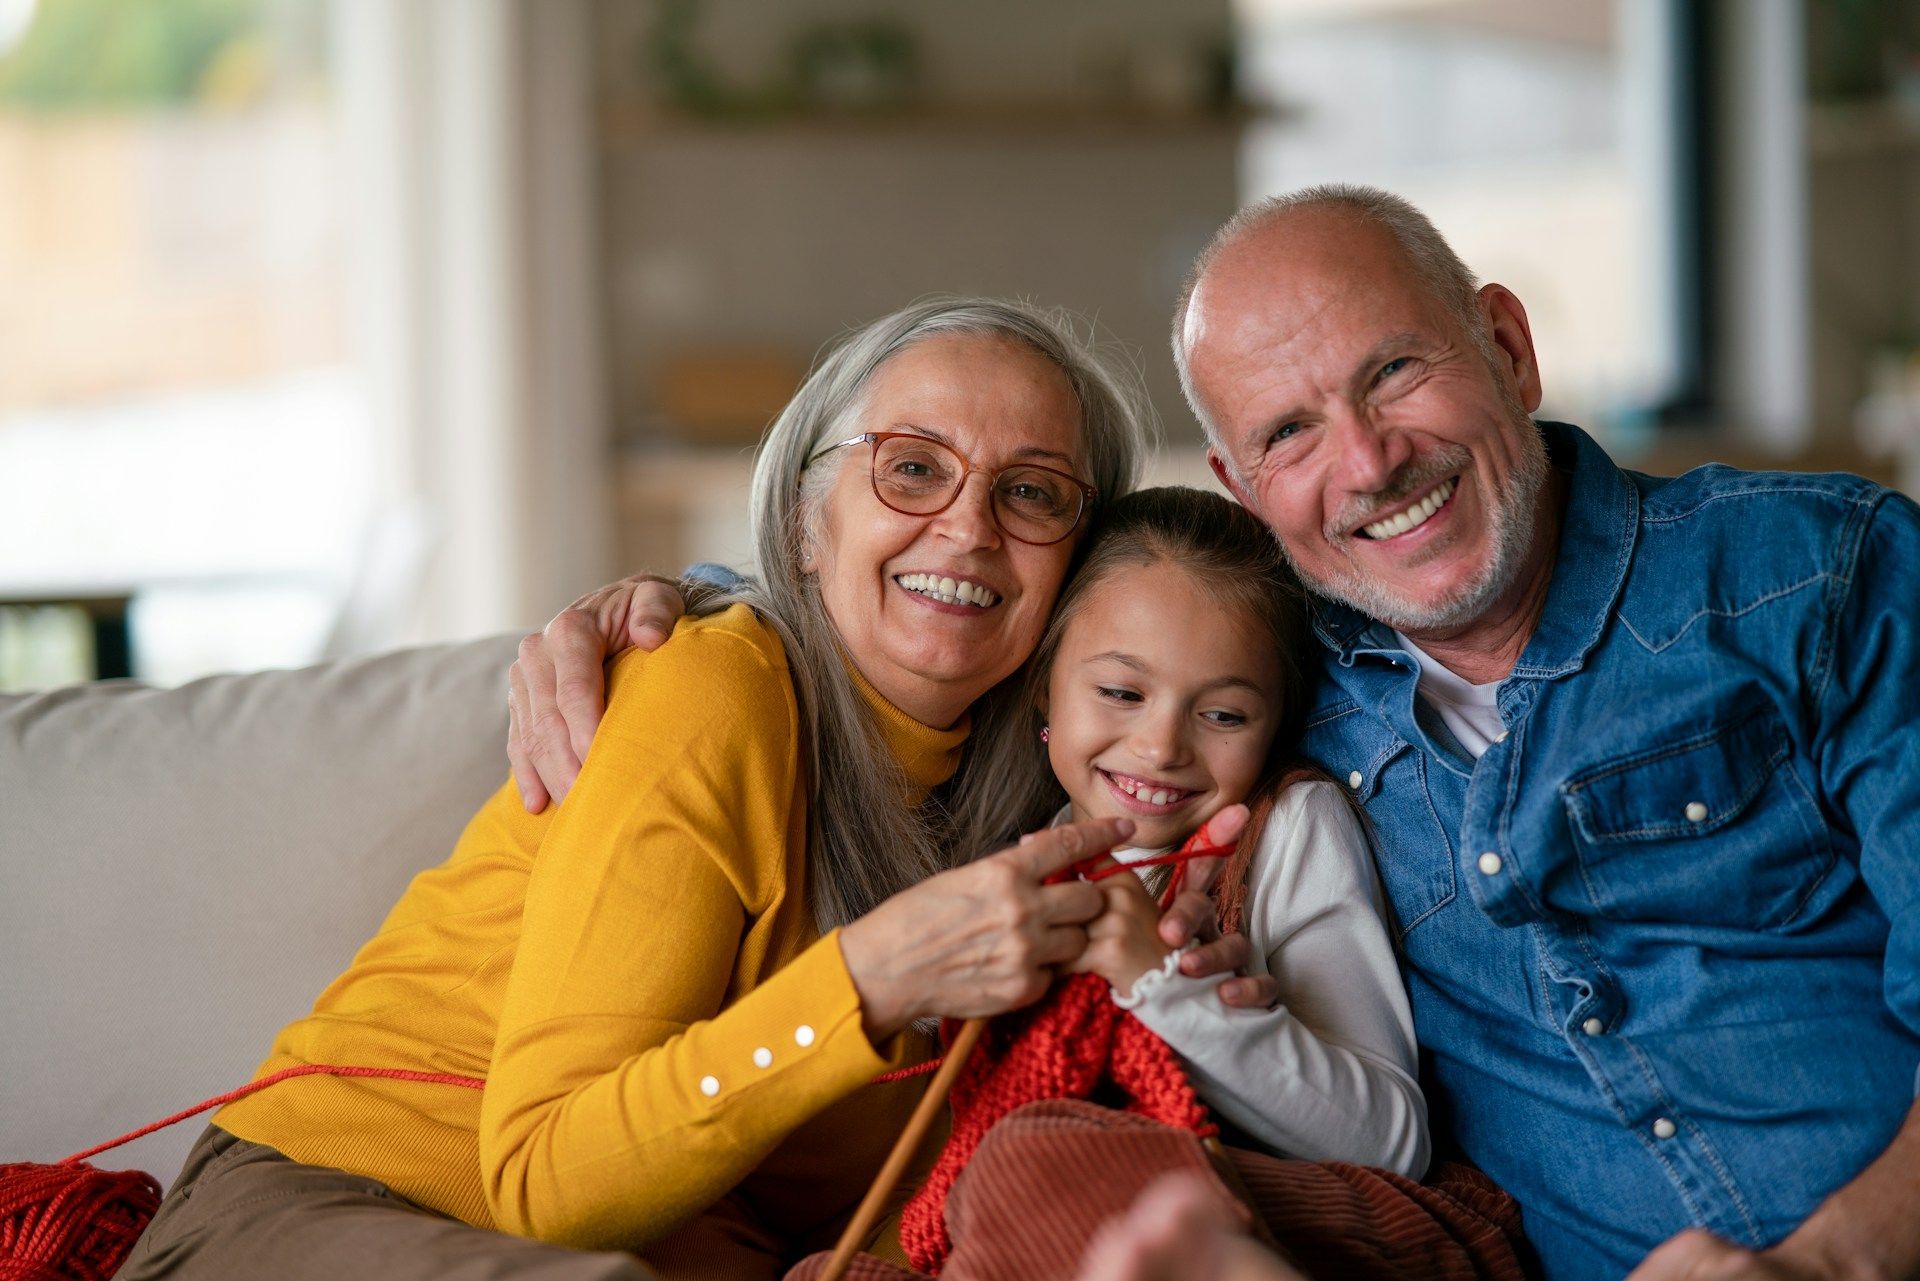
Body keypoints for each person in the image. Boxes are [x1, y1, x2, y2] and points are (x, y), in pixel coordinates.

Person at [515, 187, 1920, 1281]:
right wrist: (698, 610)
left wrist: (1836, 1253)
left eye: (1396, 373)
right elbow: (1008, 621)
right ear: (1247, 495)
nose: (1368, 464)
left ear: (1505, 343)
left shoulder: (1812, 575)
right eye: (1293, 433)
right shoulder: (1276, 661)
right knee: (1024, 1176)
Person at [117, 296, 1197, 1281]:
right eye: (912, 468)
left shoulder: (1052, 793)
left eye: (1034, 492)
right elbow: (552, 1187)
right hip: (330, 1205)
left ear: (1079, 563)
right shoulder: (711, 681)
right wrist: (866, 981)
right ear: (810, 522)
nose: (968, 526)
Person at [1026, 485, 1426, 1174]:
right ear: (1044, 688)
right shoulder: (1033, 855)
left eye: (1225, 715)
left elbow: (1394, 1143)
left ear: (1275, 726)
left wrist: (1161, 985)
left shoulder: (1289, 830)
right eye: (1122, 693)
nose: (1160, 747)